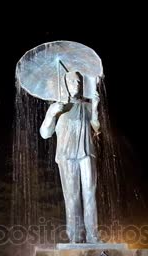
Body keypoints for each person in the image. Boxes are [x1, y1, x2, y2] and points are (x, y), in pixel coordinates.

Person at [40, 70, 102, 243]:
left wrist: (95, 106)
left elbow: (97, 128)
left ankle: (93, 236)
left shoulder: (86, 106)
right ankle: (75, 235)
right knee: (72, 194)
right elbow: (45, 133)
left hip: (87, 152)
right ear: (66, 84)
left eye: (79, 82)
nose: (77, 85)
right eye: (73, 82)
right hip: (66, 154)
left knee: (90, 192)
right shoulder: (59, 106)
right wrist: (51, 114)